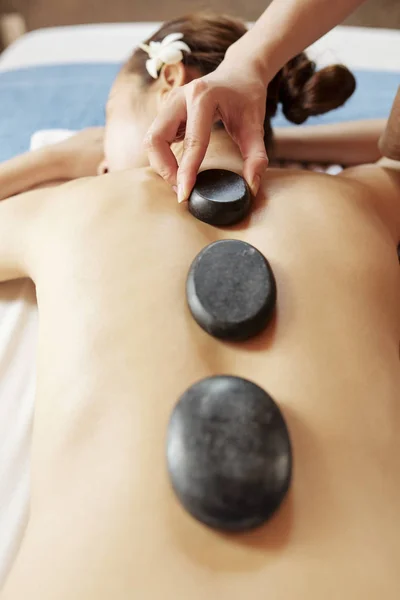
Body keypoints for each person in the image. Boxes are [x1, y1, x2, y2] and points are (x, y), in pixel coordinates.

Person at [0, 13, 399, 599]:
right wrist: (288, 149)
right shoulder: (355, 198)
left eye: (106, 123)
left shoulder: (67, 206)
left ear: (171, 80)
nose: (103, 158)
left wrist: (56, 159)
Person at [143, 0, 367, 202]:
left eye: (112, 111)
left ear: (170, 84)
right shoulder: (336, 194)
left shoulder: (112, 195)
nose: (105, 164)